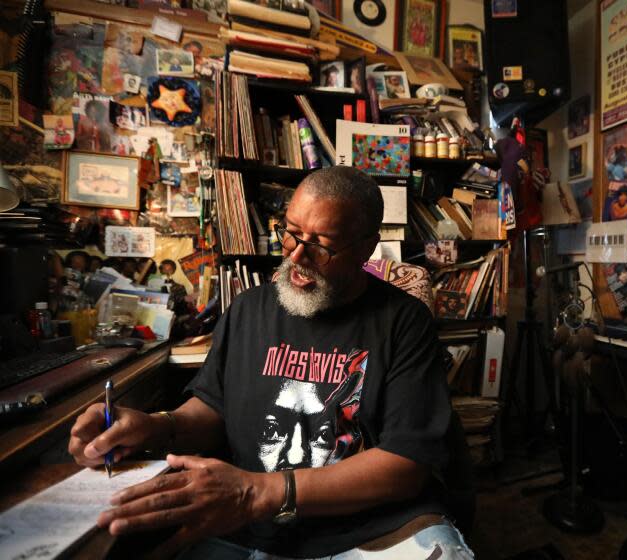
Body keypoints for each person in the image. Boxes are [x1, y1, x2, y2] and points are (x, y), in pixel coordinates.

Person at [68, 167, 470, 559]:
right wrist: (155, 426)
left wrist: (258, 491)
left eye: (322, 244)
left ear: (365, 248)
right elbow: (213, 409)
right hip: (249, 527)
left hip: (366, 528)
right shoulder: (248, 310)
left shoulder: (403, 321)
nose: (297, 255)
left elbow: (407, 462)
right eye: (291, 233)